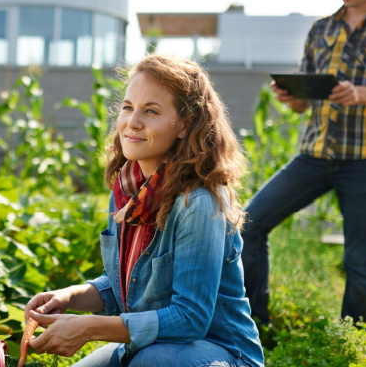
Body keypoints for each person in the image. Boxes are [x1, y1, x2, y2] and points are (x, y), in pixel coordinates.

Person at [23, 54, 264, 367]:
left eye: (151, 111)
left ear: (185, 125)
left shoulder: (199, 202)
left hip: (222, 353)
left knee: (149, 363)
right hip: (147, 347)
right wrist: (70, 296)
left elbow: (190, 319)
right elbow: (132, 284)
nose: (131, 122)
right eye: (127, 107)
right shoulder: (127, 192)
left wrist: (91, 328)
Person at [241, 0, 366, 328]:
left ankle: (352, 341)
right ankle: (255, 326)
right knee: (249, 223)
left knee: (359, 259)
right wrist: (289, 95)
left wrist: (359, 94)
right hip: (315, 156)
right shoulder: (321, 28)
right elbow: (300, 106)